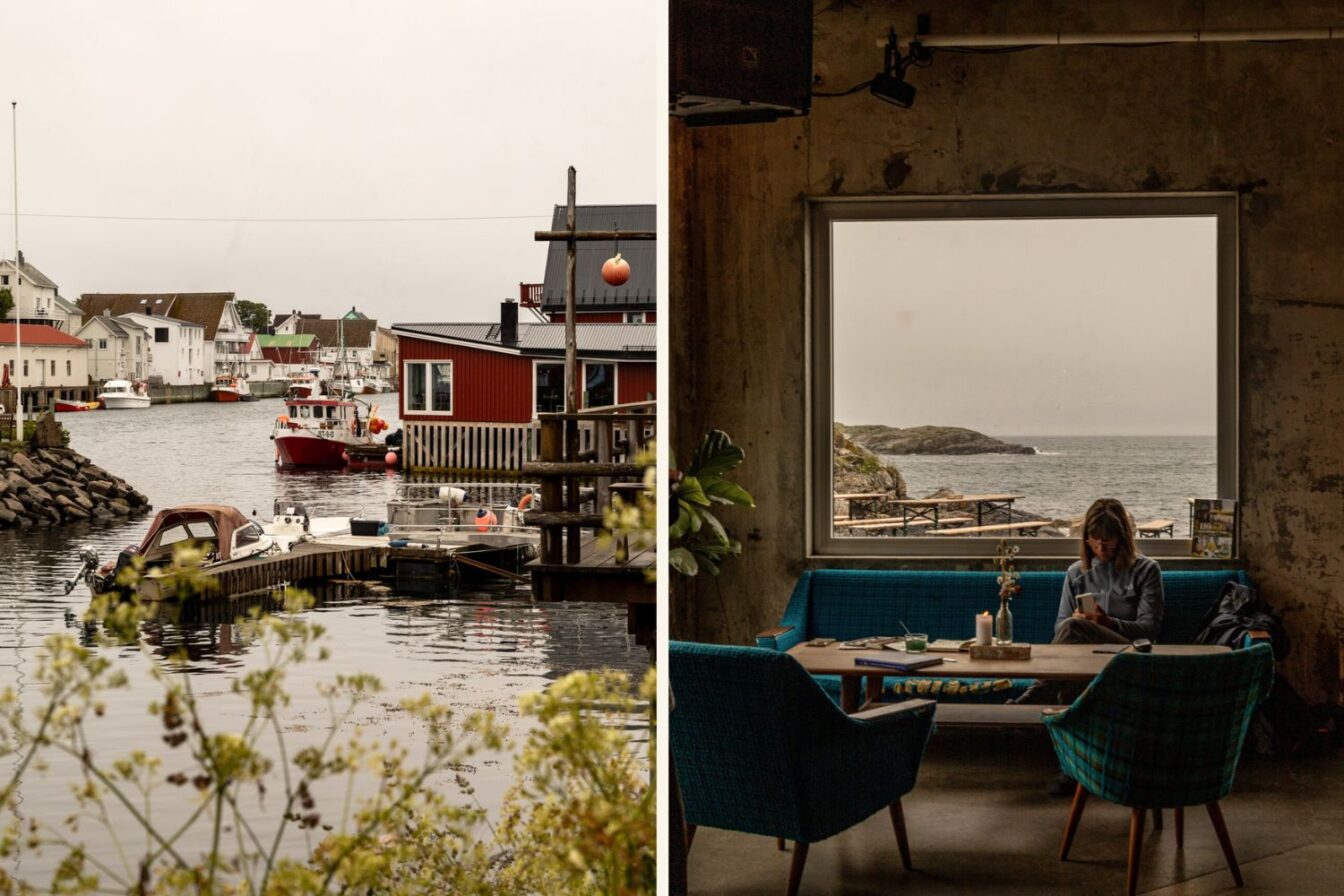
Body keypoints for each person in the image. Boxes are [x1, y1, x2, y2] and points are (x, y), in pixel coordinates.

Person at [1013, 497, 1165, 794]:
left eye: (1108, 540)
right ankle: (1074, 768)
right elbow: (1060, 626)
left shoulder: (1147, 570)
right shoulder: (1076, 573)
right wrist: (1080, 623)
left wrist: (1107, 624)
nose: (1101, 547)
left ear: (1123, 538)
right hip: (1083, 656)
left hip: (1130, 654)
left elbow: (1149, 630)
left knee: (1074, 631)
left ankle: (1035, 695)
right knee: (1072, 644)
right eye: (1094, 540)